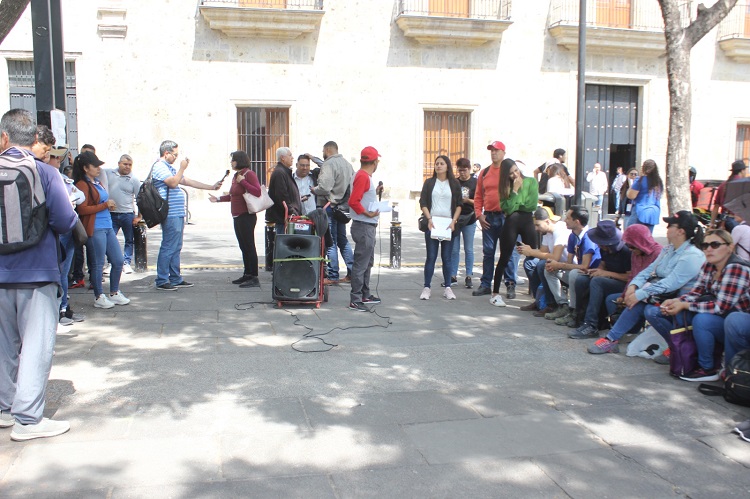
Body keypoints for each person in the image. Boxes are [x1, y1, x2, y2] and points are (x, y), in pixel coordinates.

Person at [0, 109, 77, 440]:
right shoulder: (44, 172)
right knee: (36, 344)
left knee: (4, 345)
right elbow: (65, 220)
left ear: (4, 137)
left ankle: (4, 409)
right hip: (37, 271)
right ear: (33, 138)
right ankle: (28, 419)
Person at [587, 210, 705, 354]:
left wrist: (640, 294)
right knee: (641, 302)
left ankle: (678, 347)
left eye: (670, 226)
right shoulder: (669, 249)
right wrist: (633, 287)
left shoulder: (692, 255)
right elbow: (647, 271)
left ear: (680, 231)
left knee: (651, 311)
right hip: (664, 297)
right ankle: (611, 339)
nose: (667, 229)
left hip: (684, 303)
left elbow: (671, 282)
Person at [645, 229, 750, 381]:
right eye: (705, 245)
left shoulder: (736, 267)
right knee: (667, 312)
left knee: (705, 319)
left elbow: (721, 307)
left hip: (739, 322)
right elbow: (696, 293)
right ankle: (698, 362)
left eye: (715, 245)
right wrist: (678, 302)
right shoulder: (709, 265)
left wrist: (684, 305)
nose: (708, 249)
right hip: (723, 318)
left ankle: (729, 370)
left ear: (730, 247)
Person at [152, 140, 224, 290]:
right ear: (166, 153)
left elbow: (186, 181)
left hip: (177, 212)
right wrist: (182, 169)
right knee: (168, 246)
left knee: (176, 246)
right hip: (170, 213)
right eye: (175, 154)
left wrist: (210, 186)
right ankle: (162, 279)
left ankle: (175, 277)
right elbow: (173, 183)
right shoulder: (159, 166)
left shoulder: (168, 167)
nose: (177, 158)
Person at [73, 152, 130, 309]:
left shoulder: (97, 182)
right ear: (85, 168)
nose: (98, 168)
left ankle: (114, 292)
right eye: (95, 166)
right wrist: (105, 205)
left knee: (118, 260)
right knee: (97, 263)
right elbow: (82, 209)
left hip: (107, 225)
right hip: (95, 227)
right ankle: (99, 296)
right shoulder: (82, 185)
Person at [568, 220, 632, 339]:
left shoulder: (625, 251)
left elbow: (629, 277)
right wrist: (596, 271)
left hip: (624, 284)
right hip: (610, 278)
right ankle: (580, 318)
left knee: (598, 282)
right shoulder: (604, 248)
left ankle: (591, 325)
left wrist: (605, 273)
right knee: (582, 280)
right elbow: (603, 264)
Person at [472, 141, 519, 299]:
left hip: (506, 217)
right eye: (491, 150)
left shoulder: (510, 172)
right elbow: (478, 196)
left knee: (509, 252)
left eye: (497, 150)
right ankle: (486, 284)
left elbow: (519, 191)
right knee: (488, 253)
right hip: (489, 217)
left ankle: (510, 284)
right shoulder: (484, 173)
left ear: (504, 153)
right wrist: (479, 214)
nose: (493, 153)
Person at [490, 158, 539, 307]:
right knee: (505, 257)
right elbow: (508, 209)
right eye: (511, 174)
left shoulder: (531, 181)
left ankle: (538, 294)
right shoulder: (505, 188)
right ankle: (495, 293)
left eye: (516, 171)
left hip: (527, 220)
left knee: (533, 254)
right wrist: (515, 192)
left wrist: (516, 203)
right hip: (511, 222)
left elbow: (531, 204)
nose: (515, 175)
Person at [209, 151, 262, 288]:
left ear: (239, 161)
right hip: (237, 215)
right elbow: (234, 195)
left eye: (233, 160)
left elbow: (257, 191)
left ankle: (254, 277)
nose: (231, 163)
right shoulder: (236, 175)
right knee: (243, 245)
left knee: (249, 245)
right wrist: (218, 199)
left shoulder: (248, 174)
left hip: (246, 215)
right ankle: (247, 274)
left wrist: (243, 182)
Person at [545, 206, 602, 327]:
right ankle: (563, 305)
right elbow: (569, 261)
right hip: (579, 271)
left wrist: (559, 264)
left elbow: (585, 266)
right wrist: (556, 266)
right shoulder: (572, 236)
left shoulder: (588, 237)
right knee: (549, 270)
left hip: (591, 274)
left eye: (568, 218)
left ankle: (574, 311)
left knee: (574, 273)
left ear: (577, 222)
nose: (565, 220)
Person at [310, 141, 355, 284]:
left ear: (328, 150)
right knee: (343, 240)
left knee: (331, 242)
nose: (323, 153)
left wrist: (314, 190)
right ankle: (352, 272)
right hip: (342, 208)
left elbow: (324, 187)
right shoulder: (348, 164)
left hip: (330, 207)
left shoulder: (329, 164)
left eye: (323, 151)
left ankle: (333, 275)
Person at [419, 155, 462, 300]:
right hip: (433, 223)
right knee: (431, 256)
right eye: (437, 163)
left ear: (447, 166)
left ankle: (448, 287)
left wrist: (454, 221)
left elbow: (459, 204)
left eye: (442, 163)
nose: (438, 166)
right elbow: (423, 201)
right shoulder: (430, 183)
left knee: (447, 257)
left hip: (448, 225)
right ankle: (426, 287)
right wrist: (429, 218)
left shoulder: (454, 184)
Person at [517, 206, 570, 314]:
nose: (536, 229)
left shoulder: (559, 231)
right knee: (530, 262)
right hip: (555, 263)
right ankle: (540, 300)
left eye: (538, 225)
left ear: (547, 221)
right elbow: (542, 252)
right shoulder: (546, 231)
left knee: (542, 265)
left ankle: (551, 304)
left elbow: (555, 257)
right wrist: (528, 250)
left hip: (566, 266)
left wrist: (531, 252)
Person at [348, 146, 382, 311]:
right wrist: (367, 213)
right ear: (375, 162)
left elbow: (361, 197)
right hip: (364, 226)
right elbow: (354, 201)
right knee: (361, 263)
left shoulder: (362, 176)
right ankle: (356, 298)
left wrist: (375, 192)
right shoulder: (363, 177)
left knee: (367, 262)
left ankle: (364, 294)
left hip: (365, 226)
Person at [102, 154, 141, 275]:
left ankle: (127, 263)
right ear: (119, 163)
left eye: (130, 165)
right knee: (109, 239)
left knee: (129, 239)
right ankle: (110, 263)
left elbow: (140, 199)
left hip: (127, 214)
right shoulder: (108, 173)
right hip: (111, 214)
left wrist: (139, 216)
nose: (127, 167)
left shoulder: (134, 179)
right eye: (125, 164)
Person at [449, 158, 477, 288]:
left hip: (470, 218)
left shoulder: (475, 182)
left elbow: (479, 201)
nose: (462, 173)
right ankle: (453, 275)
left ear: (469, 169)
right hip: (456, 219)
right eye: (460, 170)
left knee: (468, 249)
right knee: (454, 249)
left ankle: (469, 275)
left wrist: (468, 201)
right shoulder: (454, 182)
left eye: (464, 170)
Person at [266, 147, 301, 239]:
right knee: (283, 245)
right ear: (283, 158)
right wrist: (292, 212)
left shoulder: (284, 172)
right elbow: (282, 196)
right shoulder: (279, 173)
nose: (292, 158)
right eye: (290, 155)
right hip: (283, 219)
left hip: (286, 217)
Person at [710, 160, 749, 229]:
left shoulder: (723, 185)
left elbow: (716, 206)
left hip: (724, 220)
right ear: (742, 171)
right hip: (737, 222)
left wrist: (712, 224)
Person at [627, 159, 663, 233]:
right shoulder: (658, 182)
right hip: (653, 212)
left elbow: (631, 196)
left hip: (640, 211)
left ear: (643, 168)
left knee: (631, 236)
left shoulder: (640, 180)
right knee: (647, 239)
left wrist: (631, 185)